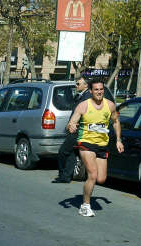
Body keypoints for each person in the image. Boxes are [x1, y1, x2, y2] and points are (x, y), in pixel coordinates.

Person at [67, 80, 123, 217]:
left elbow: (115, 122)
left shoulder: (109, 105)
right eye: (96, 89)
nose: (99, 92)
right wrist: (71, 126)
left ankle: (88, 183)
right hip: (86, 143)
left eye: (101, 89)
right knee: (92, 175)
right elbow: (71, 122)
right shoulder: (83, 106)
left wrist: (118, 140)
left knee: (101, 178)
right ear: (90, 91)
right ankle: (85, 205)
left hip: (102, 145)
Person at [52, 75, 92, 183]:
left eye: (78, 84)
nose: (76, 85)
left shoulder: (87, 97)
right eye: (76, 83)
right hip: (73, 128)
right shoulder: (80, 96)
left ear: (86, 85)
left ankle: (62, 174)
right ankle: (66, 176)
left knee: (63, 152)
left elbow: (86, 114)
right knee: (71, 153)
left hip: (79, 130)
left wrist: (76, 124)